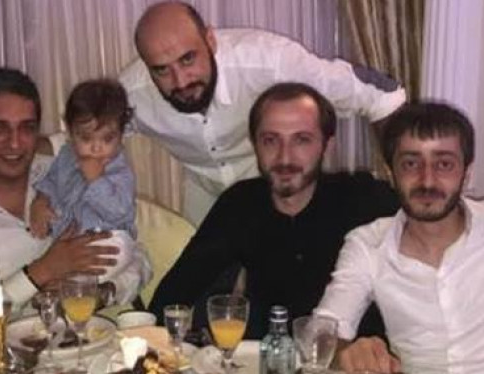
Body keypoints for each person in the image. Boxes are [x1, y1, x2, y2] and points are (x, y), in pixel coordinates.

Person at [120, 1, 406, 223]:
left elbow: (383, 96)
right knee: (197, 281)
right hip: (205, 198)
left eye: (188, 59)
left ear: (210, 40)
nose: (181, 81)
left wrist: (408, 191)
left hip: (279, 187)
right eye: (162, 70)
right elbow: (91, 140)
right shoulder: (131, 95)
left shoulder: (270, 62)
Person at [149, 82, 399, 338]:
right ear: (254, 144)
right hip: (267, 356)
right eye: (270, 140)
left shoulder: (366, 199)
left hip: (359, 355)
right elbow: (176, 293)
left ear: (327, 144)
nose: (284, 157)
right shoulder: (241, 204)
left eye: (301, 140)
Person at [316, 101, 484, 374]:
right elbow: (322, 334)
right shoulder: (368, 245)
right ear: (390, 173)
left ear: (467, 173)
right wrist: (347, 352)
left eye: (444, 164)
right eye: (411, 163)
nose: (427, 180)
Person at [0, 68, 151, 309]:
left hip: (91, 325)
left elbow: (139, 259)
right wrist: (40, 273)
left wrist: (100, 293)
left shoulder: (63, 171)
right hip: (7, 332)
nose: (15, 142)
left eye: (27, 128)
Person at [30, 78, 136, 279]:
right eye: (86, 138)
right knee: (42, 248)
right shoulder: (66, 155)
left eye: (107, 139)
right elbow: (50, 181)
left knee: (119, 249)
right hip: (68, 239)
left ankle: (85, 284)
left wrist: (97, 180)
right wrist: (40, 202)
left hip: (107, 237)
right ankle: (71, 283)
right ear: (70, 132)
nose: (96, 148)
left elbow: (120, 213)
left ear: (121, 134)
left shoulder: (119, 170)